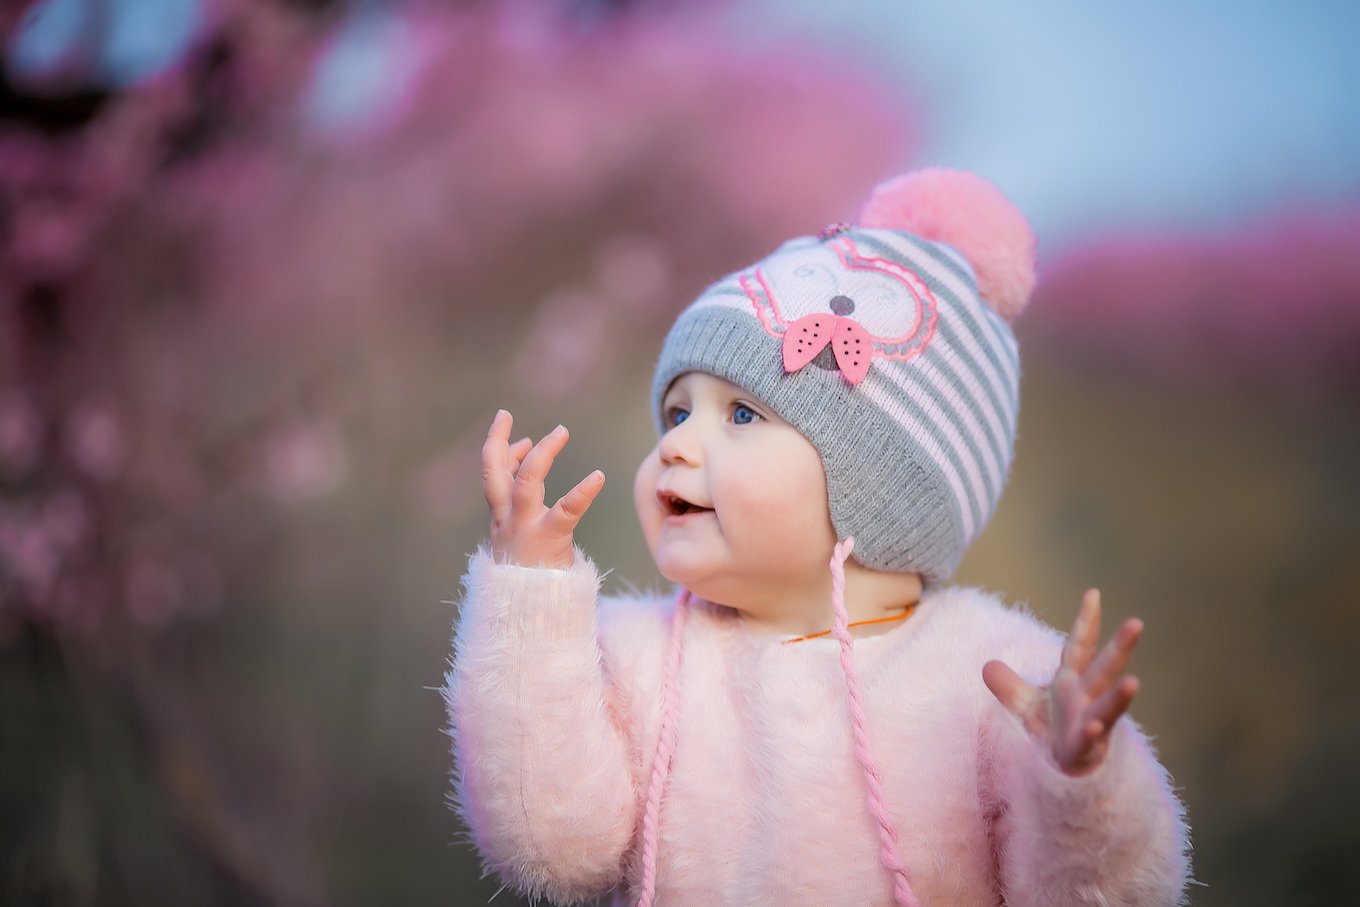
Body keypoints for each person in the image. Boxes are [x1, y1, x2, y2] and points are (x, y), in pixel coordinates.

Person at [442, 169, 1191, 906]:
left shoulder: (998, 681)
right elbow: (553, 847)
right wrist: (530, 598)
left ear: (880, 491)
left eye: (740, 415)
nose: (675, 446)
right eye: (676, 413)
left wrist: (1080, 782)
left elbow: (1109, 896)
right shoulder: (628, 656)